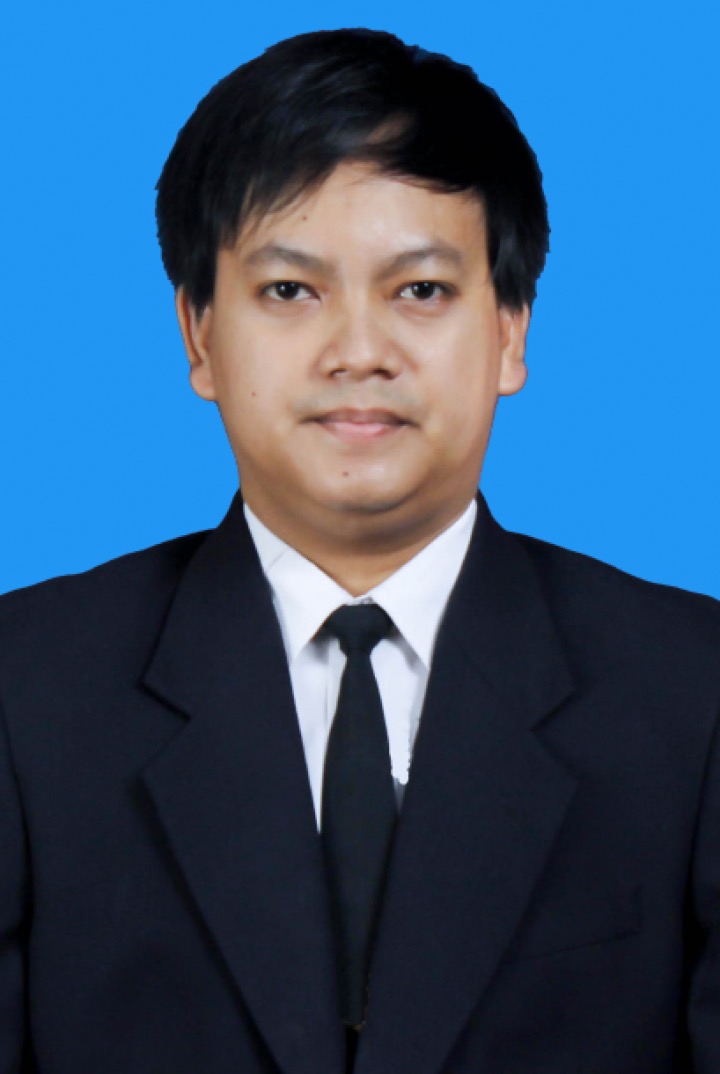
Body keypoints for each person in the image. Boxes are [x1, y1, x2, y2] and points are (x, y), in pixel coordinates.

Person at [0, 27, 718, 1074]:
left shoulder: (693, 692)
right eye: (291, 291)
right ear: (199, 335)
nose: (359, 353)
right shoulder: (25, 690)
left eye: (419, 290)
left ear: (511, 330)